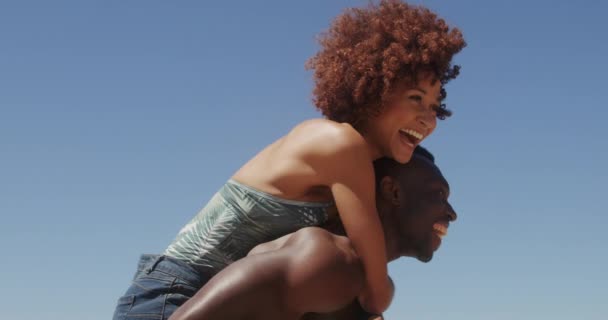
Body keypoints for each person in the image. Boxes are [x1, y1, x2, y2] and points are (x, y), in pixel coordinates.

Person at [112, 1, 465, 319]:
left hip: (204, 295)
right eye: (416, 98)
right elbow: (375, 288)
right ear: (374, 87)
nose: (429, 119)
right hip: (172, 295)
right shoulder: (339, 145)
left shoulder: (355, 170)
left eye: (435, 106)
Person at [167, 146, 457, 320]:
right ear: (393, 192)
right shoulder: (327, 261)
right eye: (439, 194)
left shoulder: (372, 288)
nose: (452, 213)